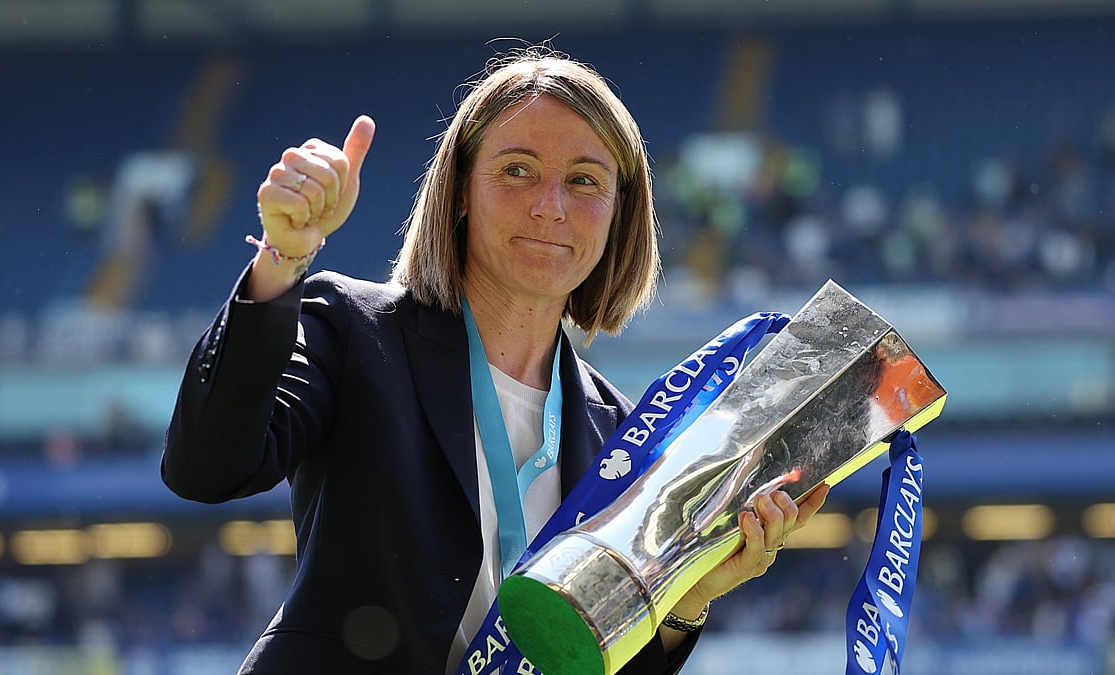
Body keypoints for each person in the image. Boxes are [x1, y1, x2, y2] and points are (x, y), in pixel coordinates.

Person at [161, 47, 830, 674]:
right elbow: (207, 467)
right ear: (459, 190)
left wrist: (688, 600)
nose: (550, 206)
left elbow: (594, 656)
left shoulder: (623, 437)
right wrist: (282, 257)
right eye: (517, 170)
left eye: (584, 181)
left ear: (618, 215)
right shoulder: (353, 329)